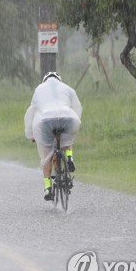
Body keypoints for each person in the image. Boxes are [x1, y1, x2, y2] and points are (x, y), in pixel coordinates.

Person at [24, 72, 83, 201]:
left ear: (45, 80)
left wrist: (31, 134)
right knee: (67, 138)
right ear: (59, 80)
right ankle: (69, 157)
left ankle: (48, 188)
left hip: (45, 120)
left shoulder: (39, 89)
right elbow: (77, 107)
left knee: (46, 158)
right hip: (68, 116)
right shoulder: (68, 88)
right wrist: (75, 124)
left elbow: (31, 112)